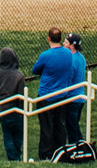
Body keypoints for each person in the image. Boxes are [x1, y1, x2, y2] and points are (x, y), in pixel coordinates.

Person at [31, 27, 79, 158]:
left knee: (47, 128)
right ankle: (60, 151)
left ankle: (45, 155)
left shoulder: (46, 55)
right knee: (60, 126)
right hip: (62, 95)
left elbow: (35, 70)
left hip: (46, 96)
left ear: (48, 38)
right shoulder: (68, 54)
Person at [0, 46, 26, 159]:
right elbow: (21, 96)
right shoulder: (19, 76)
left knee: (7, 134)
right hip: (16, 110)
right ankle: (16, 156)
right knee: (18, 135)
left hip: (1, 110)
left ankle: (12, 157)